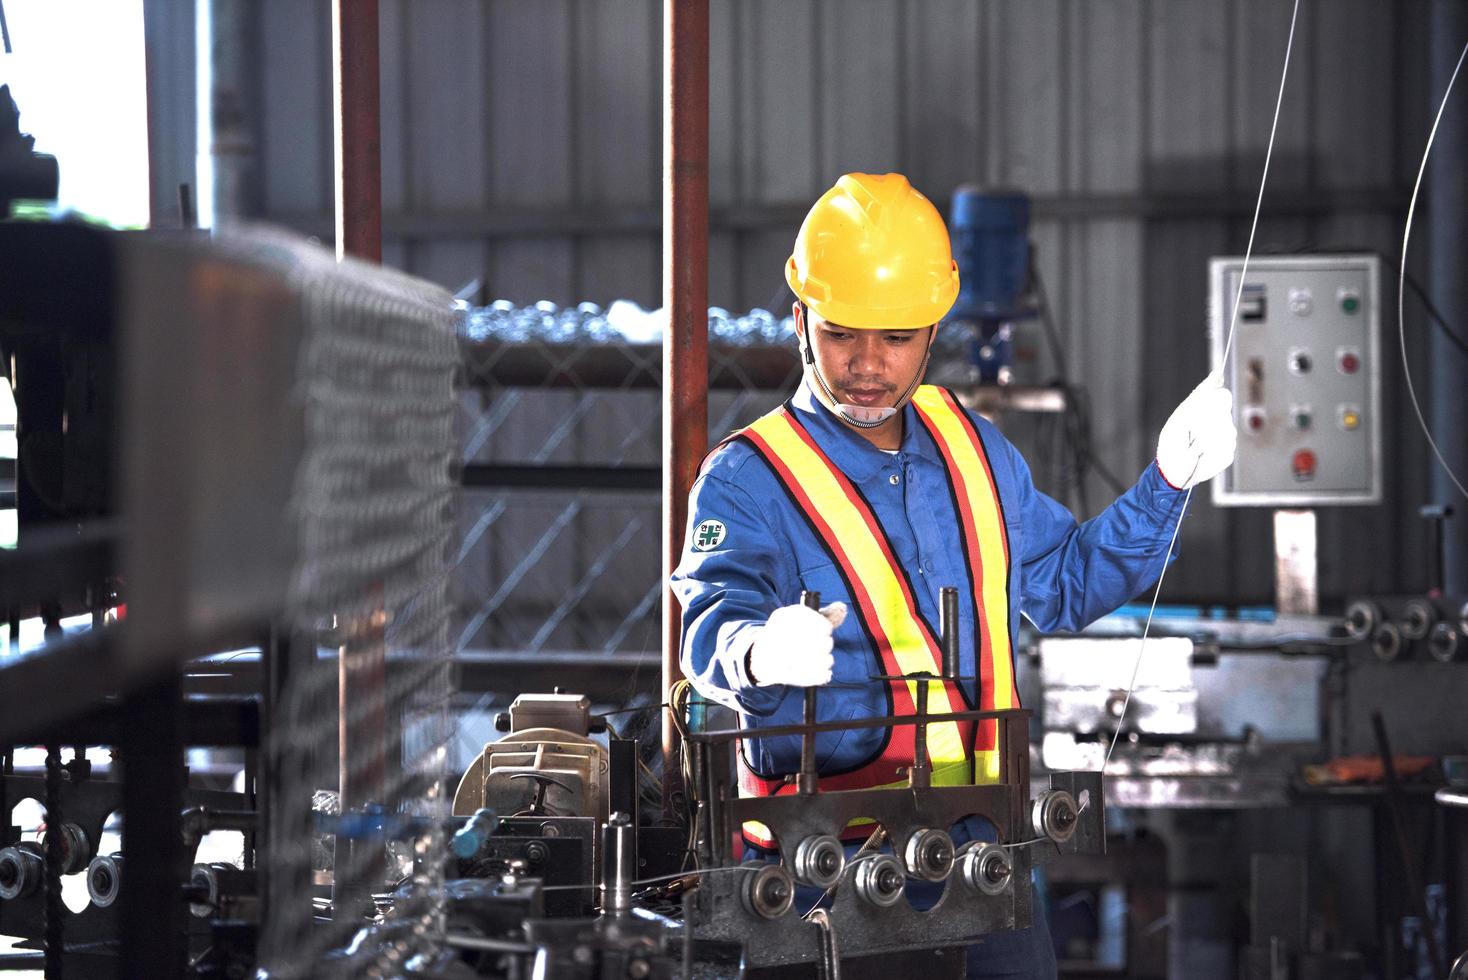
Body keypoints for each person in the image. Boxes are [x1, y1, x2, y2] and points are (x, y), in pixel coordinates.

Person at [670, 172, 1236, 979]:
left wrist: (1168, 483)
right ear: (801, 320)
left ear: (933, 332)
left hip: (983, 861)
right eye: (842, 334)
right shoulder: (746, 478)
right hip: (820, 878)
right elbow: (709, 627)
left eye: (896, 337)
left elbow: (1065, 583)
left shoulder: (974, 448)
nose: (869, 364)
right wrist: (756, 651)